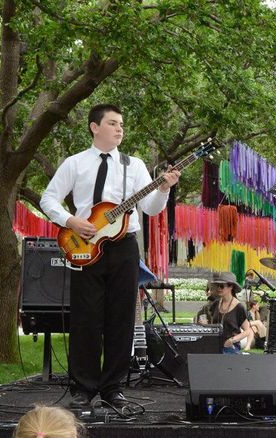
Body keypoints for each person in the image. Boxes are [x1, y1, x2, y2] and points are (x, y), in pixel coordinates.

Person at [40, 103, 180, 409]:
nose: (120, 129)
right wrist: (70, 221)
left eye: (121, 124)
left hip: (124, 246)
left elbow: (152, 208)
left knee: (121, 318)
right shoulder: (75, 164)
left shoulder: (135, 165)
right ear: (95, 127)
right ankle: (83, 387)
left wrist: (165, 190)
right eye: (113, 123)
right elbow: (48, 198)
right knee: (85, 318)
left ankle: (113, 387)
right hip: (84, 245)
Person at [207, 272, 254, 354]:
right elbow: (213, 325)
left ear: (231, 286)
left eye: (222, 286)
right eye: (217, 285)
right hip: (214, 345)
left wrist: (232, 340)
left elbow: (248, 331)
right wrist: (205, 325)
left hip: (230, 348)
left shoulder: (239, 307)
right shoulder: (216, 303)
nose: (219, 288)